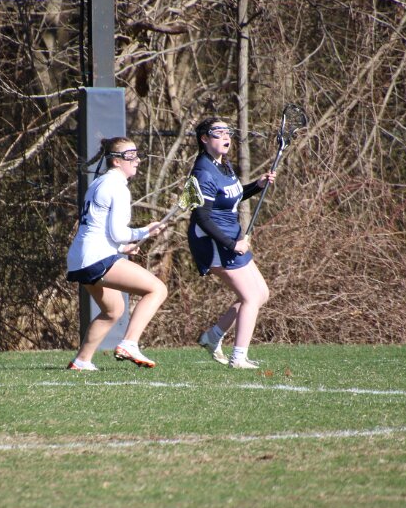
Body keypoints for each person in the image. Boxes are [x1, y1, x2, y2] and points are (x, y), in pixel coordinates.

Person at [66, 137, 168, 370]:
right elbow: (119, 233)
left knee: (113, 310)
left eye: (137, 154)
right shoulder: (117, 186)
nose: (137, 160)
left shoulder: (100, 182)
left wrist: (122, 249)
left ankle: (81, 361)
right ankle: (130, 343)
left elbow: (101, 229)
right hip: (95, 257)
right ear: (116, 161)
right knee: (157, 289)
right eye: (130, 155)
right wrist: (146, 231)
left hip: (79, 258)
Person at [187, 117, 277, 369]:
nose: (226, 136)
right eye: (218, 132)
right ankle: (238, 357)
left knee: (261, 294)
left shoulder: (223, 165)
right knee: (250, 297)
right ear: (204, 139)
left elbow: (230, 198)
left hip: (231, 237)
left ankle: (213, 336)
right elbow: (202, 217)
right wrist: (231, 244)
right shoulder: (203, 172)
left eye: (228, 131)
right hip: (216, 242)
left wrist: (257, 186)